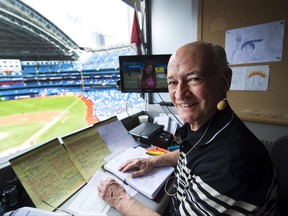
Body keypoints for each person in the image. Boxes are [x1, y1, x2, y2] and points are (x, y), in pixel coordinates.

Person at [98, 41, 277, 215]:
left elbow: (212, 162)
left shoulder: (231, 163)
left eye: (194, 79)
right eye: (173, 83)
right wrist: (152, 161)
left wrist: (120, 199)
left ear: (225, 81)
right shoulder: (209, 125)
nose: (180, 94)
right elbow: (191, 153)